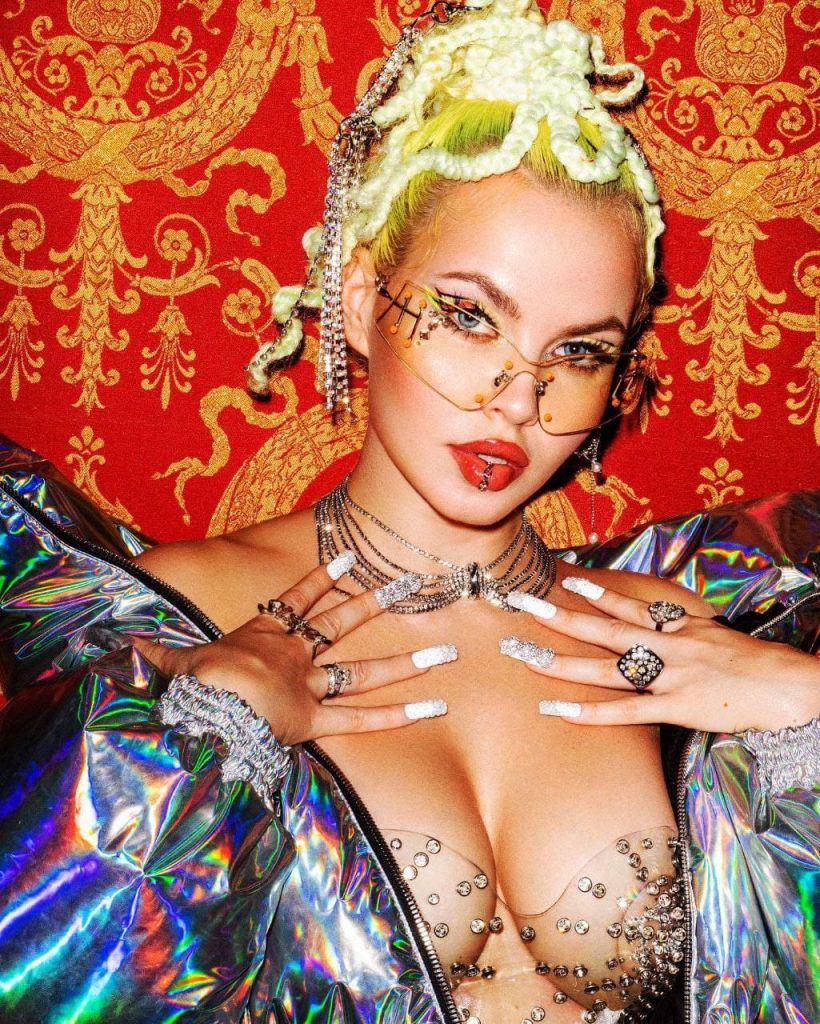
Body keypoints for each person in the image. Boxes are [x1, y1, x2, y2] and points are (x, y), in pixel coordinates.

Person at [0, 2, 817, 1023]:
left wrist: (804, 705)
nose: (518, 398)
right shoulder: (175, 612)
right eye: (469, 316)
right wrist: (206, 732)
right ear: (357, 302)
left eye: (578, 352)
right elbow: (45, 956)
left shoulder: (674, 630)